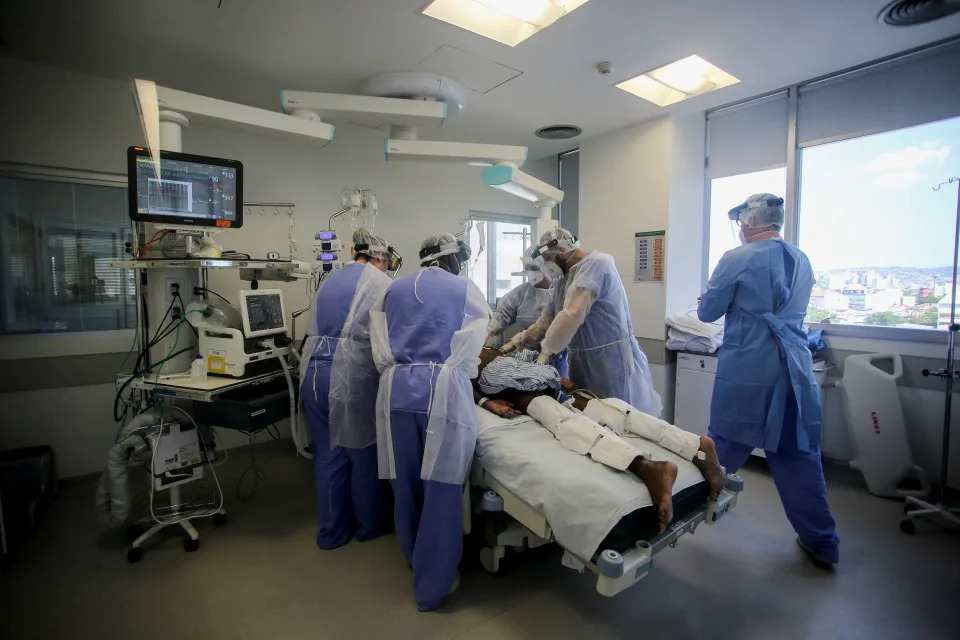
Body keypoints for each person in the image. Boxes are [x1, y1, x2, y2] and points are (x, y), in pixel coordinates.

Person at [698, 193, 840, 568]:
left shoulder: (736, 258)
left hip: (750, 367)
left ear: (747, 223)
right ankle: (823, 543)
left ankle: (677, 510)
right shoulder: (801, 258)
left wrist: (718, 299)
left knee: (722, 447)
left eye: (740, 223)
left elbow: (708, 310)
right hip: (794, 366)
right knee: (798, 454)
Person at [473, 347, 725, 533]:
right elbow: (528, 358)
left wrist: (486, 400)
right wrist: (557, 380)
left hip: (519, 387)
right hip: (536, 380)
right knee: (606, 410)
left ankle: (649, 468)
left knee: (565, 423)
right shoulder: (488, 351)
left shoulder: (468, 355)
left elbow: (462, 382)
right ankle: (695, 445)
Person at [370, 232, 488, 611]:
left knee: (404, 482)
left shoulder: (392, 290)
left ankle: (413, 556)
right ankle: (433, 585)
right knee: (442, 486)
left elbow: (380, 345)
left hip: (396, 391)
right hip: (442, 391)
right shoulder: (463, 288)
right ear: (452, 258)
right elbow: (471, 349)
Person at [300, 228, 396, 550]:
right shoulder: (380, 282)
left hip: (313, 372)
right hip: (349, 376)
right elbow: (389, 340)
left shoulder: (331, 279)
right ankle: (368, 527)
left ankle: (332, 533)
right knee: (362, 453)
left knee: (328, 454)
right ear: (380, 256)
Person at [502, 228, 661, 417]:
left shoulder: (597, 264)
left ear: (561, 249)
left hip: (610, 361)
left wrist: (545, 353)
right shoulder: (564, 280)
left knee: (617, 416)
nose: (547, 265)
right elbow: (546, 320)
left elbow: (573, 313)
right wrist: (516, 342)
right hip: (581, 362)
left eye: (548, 258)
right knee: (588, 414)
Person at [486, 247, 553, 347]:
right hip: (526, 352)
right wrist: (491, 326)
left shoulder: (560, 291)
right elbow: (504, 313)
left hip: (556, 352)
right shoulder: (522, 292)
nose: (530, 272)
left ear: (546, 266)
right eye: (527, 268)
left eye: (534, 268)